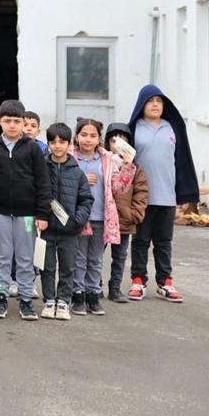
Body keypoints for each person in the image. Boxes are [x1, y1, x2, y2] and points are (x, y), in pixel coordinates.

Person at [127, 84, 199, 303]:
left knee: (164, 242)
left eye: (159, 101)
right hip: (141, 198)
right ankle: (138, 280)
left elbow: (184, 162)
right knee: (140, 241)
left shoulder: (172, 128)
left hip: (167, 196)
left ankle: (165, 282)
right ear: (142, 104)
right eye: (150, 101)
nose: (155, 104)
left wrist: (186, 196)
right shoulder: (134, 129)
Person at [0, 100, 52, 321]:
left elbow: (43, 183)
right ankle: (1, 295)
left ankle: (25, 298)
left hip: (28, 214)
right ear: (0, 122)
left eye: (16, 121)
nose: (12, 125)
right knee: (1, 256)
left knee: (25, 257)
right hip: (0, 213)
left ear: (24, 122)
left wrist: (42, 213)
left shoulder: (33, 148)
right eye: (7, 121)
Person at [39, 123, 92, 321]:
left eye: (62, 142)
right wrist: (41, 217)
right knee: (47, 267)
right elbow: (37, 193)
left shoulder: (77, 172)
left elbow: (86, 200)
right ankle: (49, 300)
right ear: (48, 144)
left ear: (70, 144)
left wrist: (77, 222)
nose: (57, 146)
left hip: (70, 231)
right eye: (53, 142)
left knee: (68, 267)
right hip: (47, 229)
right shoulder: (42, 168)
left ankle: (63, 302)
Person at [71, 118, 120, 316]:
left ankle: (94, 294)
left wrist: (127, 166)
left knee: (96, 259)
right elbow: (61, 183)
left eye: (93, 135)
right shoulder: (70, 157)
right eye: (84, 135)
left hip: (101, 215)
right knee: (79, 258)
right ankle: (78, 295)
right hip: (79, 216)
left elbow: (119, 188)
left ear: (99, 138)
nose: (88, 140)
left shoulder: (108, 160)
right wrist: (80, 178)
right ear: (77, 136)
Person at [104, 123, 149, 303]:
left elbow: (142, 192)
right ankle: (93, 286)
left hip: (124, 220)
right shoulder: (103, 163)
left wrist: (134, 215)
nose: (118, 143)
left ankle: (115, 288)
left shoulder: (136, 169)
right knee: (94, 256)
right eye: (114, 139)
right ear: (107, 142)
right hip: (103, 219)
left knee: (120, 257)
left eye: (123, 139)